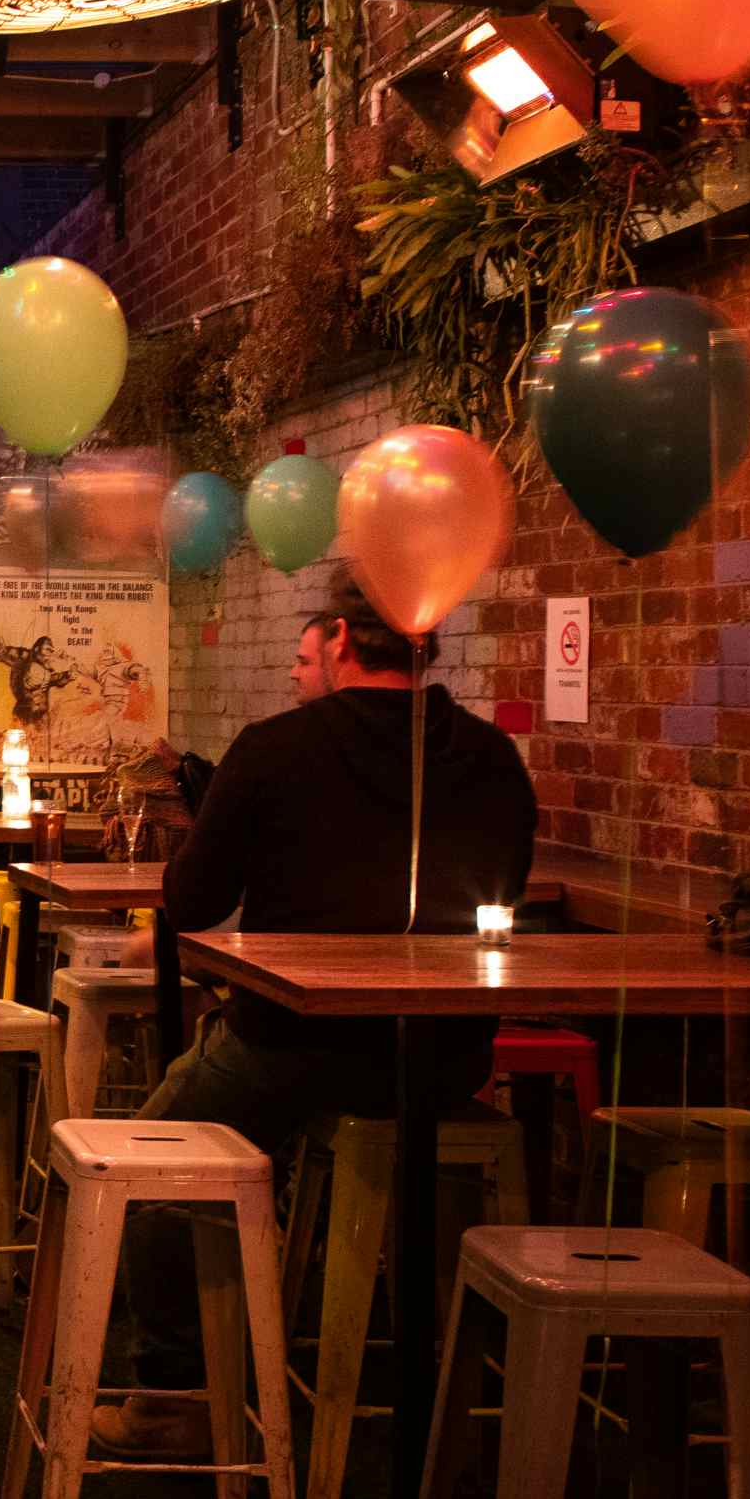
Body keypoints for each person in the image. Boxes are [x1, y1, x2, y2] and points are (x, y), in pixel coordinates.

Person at [97, 568, 537, 1451]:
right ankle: (463, 1378)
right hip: (445, 1056)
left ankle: (176, 1397)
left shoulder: (274, 749)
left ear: (339, 639)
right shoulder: (492, 756)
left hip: (293, 1044)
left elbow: (191, 904)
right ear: (427, 639)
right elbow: (510, 889)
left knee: (154, 1168)